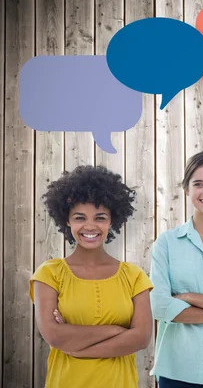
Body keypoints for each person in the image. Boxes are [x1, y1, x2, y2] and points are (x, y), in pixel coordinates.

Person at [29, 165, 153, 388]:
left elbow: (142, 338)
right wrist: (116, 331)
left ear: (111, 221)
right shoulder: (49, 274)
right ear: (67, 220)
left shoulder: (134, 276)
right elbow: (54, 336)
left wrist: (76, 348)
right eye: (80, 217)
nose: (90, 226)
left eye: (100, 217)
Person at [149, 151, 203, 388]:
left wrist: (187, 298)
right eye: (198, 184)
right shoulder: (167, 243)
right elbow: (159, 305)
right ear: (186, 189)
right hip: (176, 370)